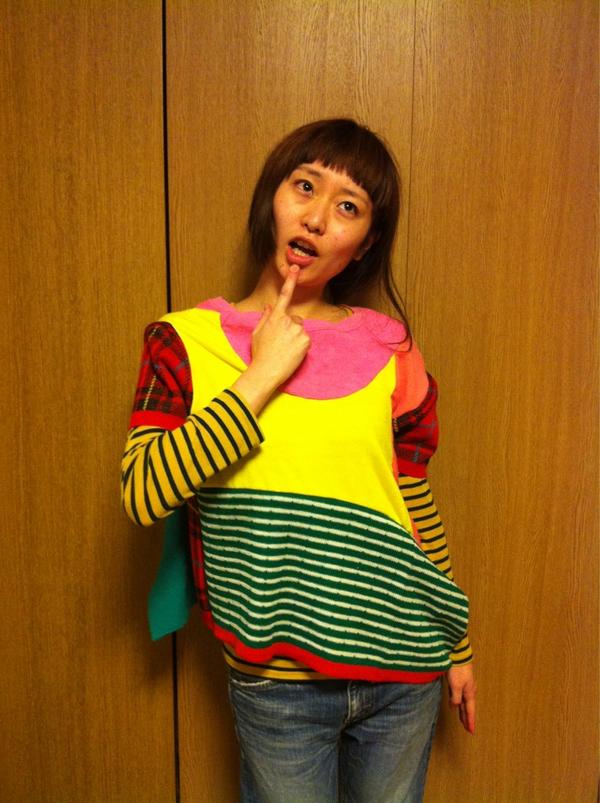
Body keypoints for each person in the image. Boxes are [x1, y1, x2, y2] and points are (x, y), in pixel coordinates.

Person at [121, 118, 476, 803]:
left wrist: (456, 644)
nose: (316, 217)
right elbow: (143, 493)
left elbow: (412, 500)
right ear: (272, 197)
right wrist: (258, 379)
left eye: (348, 206)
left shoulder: (391, 349)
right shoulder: (183, 341)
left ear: (363, 243)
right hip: (278, 684)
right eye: (305, 187)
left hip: (406, 669)